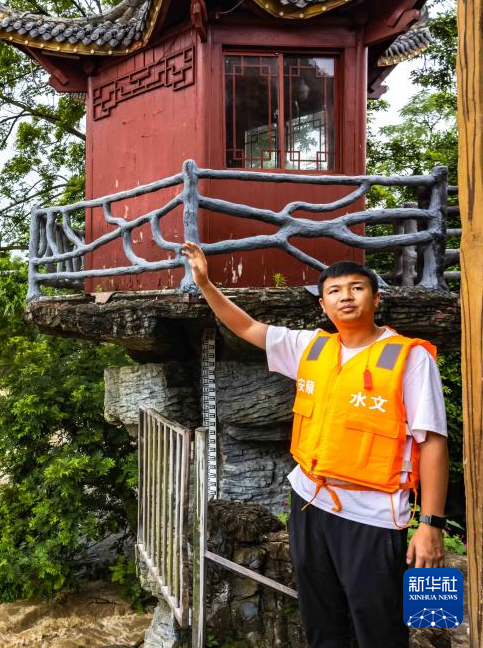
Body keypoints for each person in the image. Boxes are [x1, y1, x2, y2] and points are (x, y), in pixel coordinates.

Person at [180, 241, 449, 647]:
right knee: (321, 621)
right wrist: (205, 282)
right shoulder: (312, 346)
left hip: (373, 514)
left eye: (356, 288)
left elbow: (431, 443)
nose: (345, 297)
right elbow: (247, 327)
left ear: (376, 298)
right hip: (310, 501)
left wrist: (430, 525)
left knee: (378, 625)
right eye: (335, 291)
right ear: (323, 305)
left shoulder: (408, 359)